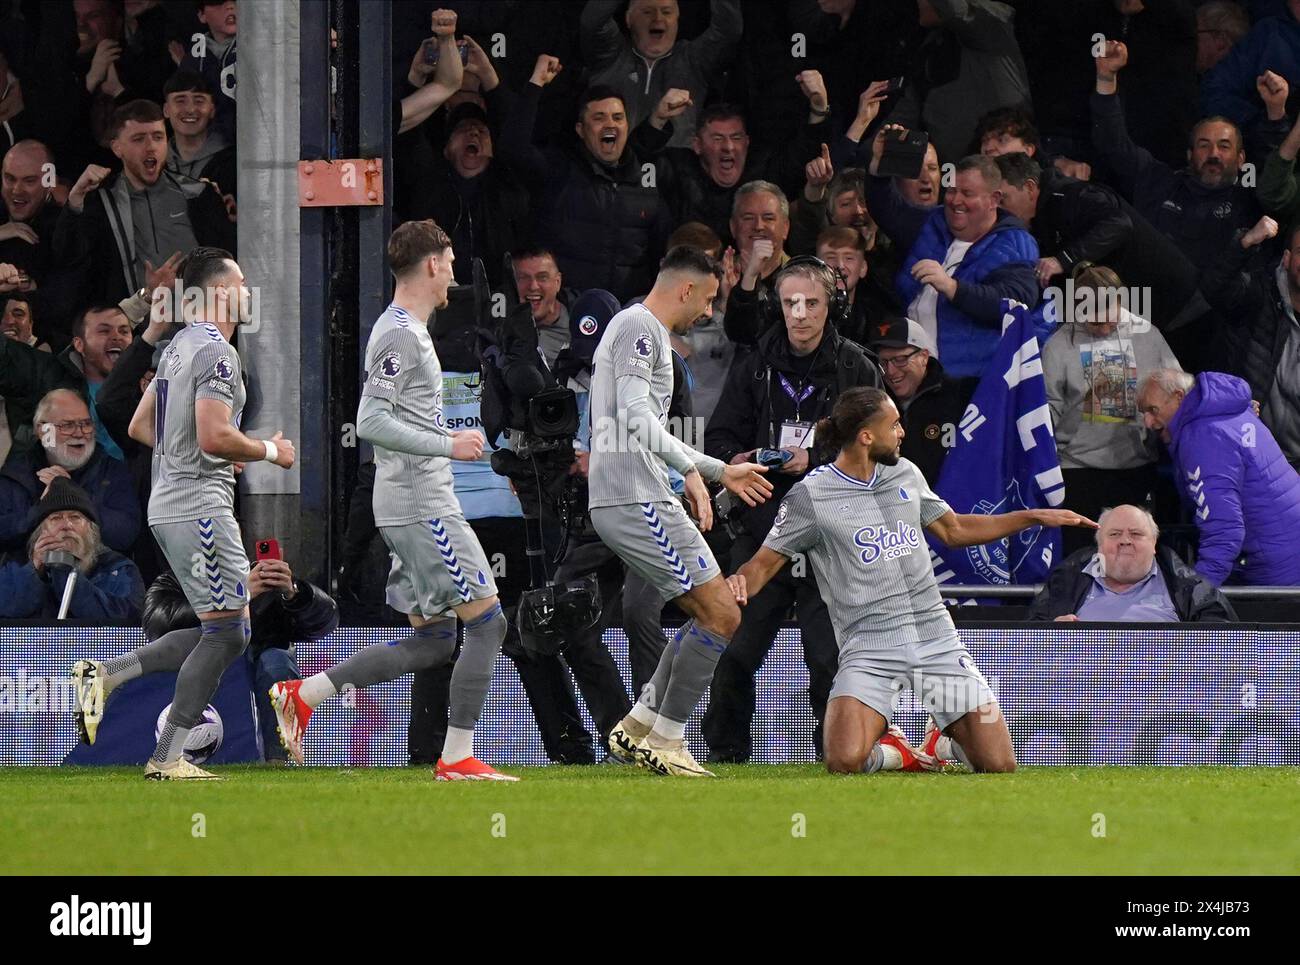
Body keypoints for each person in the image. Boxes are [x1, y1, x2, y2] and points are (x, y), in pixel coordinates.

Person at [726, 386, 1098, 774]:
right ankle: (896, 754)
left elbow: (954, 529)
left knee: (998, 764)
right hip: (869, 647)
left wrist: (1033, 516)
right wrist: (733, 587)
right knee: (844, 760)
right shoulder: (811, 496)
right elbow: (765, 564)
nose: (902, 432)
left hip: (936, 637)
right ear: (866, 436)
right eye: (895, 424)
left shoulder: (906, 473)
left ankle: (944, 745)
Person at [266, 220, 515, 782]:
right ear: (431, 264)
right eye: (449, 259)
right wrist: (447, 443)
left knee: (431, 641)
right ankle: (456, 757)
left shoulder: (409, 330)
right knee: (488, 622)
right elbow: (370, 420)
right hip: (423, 506)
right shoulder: (400, 333)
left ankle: (302, 695)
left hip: (409, 503)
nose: (453, 271)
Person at [70, 246, 297, 780]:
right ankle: (167, 757)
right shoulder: (218, 352)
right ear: (220, 291)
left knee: (220, 627)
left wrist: (210, 454)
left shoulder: (174, 349)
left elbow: (140, 428)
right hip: (199, 509)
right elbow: (214, 433)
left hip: (168, 507)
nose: (246, 291)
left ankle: (104, 678)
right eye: (240, 282)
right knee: (228, 634)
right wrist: (267, 451)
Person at [592, 245, 774, 777]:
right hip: (635, 499)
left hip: (640, 493)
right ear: (687, 288)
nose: (710, 313)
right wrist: (718, 470)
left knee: (708, 612)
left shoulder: (641, 331)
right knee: (722, 613)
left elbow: (643, 425)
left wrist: (687, 475)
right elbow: (635, 418)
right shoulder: (638, 328)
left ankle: (641, 725)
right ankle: (667, 739)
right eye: (711, 298)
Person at [702, 258, 881, 763]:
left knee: (829, 662)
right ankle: (725, 756)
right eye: (789, 303)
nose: (800, 314)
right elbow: (718, 438)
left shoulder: (857, 368)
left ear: (833, 306)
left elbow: (883, 447)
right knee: (732, 650)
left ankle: (842, 760)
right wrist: (739, 460)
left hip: (833, 537)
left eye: (812, 303)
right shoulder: (755, 363)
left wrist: (816, 458)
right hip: (762, 530)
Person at [140, 553, 339, 765]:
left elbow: (324, 624)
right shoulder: (175, 580)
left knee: (277, 660)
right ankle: (168, 756)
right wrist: (238, 595)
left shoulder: (263, 578)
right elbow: (159, 623)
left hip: (254, 663)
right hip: (203, 659)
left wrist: (295, 594)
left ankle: (278, 760)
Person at [499, 61, 672, 302]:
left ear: (627, 126)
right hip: (568, 314)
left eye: (618, 117)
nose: (610, 123)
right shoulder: (559, 170)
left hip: (629, 314)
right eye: (599, 117)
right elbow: (513, 150)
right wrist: (536, 83)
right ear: (581, 129)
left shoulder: (646, 182)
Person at [1041, 264, 1181, 556]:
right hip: (1077, 473)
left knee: (1133, 561)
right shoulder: (1058, 345)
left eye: (1111, 320)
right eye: (1095, 323)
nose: (1104, 329)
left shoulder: (1148, 336)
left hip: (1135, 470)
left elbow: (1177, 395)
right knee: (1079, 563)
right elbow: (1047, 409)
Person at [866, 144, 1038, 378]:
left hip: (969, 383)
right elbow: (887, 208)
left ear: (993, 200)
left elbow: (1015, 305)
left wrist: (952, 287)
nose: (955, 200)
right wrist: (880, 164)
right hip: (911, 376)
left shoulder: (1014, 243)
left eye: (967, 194)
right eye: (951, 190)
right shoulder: (932, 222)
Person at [1091, 39, 1259, 275]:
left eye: (1224, 146)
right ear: (1189, 154)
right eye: (1204, 145)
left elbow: (1279, 175)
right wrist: (1107, 78)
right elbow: (1113, 144)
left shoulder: (1252, 201)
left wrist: (1276, 113)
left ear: (1241, 158)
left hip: (1222, 305)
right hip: (1152, 301)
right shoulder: (1160, 183)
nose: (1213, 154)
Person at [54, 99, 236, 304]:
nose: (151, 147)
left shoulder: (198, 193)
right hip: (134, 330)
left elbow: (228, 263)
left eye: (158, 137)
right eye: (139, 139)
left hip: (198, 328)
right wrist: (75, 199)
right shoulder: (102, 203)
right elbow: (67, 258)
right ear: (117, 148)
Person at [1137, 368, 1300, 587]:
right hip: (1284, 544)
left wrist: (1196, 595)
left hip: (1275, 561)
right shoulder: (1225, 411)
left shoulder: (1203, 437)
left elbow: (1224, 531)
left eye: (1153, 410)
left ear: (1178, 397)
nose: (1148, 422)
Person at [1201, 215, 1300, 468]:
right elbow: (1215, 287)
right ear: (1287, 259)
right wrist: (1245, 242)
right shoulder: (1259, 295)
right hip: (1252, 459)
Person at [1028, 504, 1236, 623]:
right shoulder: (1064, 583)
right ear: (1099, 545)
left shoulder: (1191, 589)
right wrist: (1050, 639)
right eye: (1115, 534)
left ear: (1154, 543)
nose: (1125, 540)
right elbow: (1023, 654)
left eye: (1136, 534)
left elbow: (1225, 653)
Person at [579, 0, 743, 149]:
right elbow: (593, 21)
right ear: (628, 19)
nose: (657, 18)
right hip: (613, 174)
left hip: (674, 175)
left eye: (666, 12)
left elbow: (728, 29)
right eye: (647, 12)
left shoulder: (693, 60)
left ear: (677, 20)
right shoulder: (610, 55)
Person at [0, 389, 140, 554]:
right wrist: (42, 508)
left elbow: (125, 534)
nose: (79, 433)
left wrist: (75, 496)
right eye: (67, 425)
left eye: (86, 424)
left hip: (99, 575)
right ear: (42, 430)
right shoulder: (15, 475)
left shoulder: (114, 471)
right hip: (26, 575)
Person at [0, 303, 134, 460]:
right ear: (79, 344)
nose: (116, 336)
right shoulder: (49, 376)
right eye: (104, 331)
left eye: (124, 331)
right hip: (63, 480)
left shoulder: (148, 381)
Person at [0, 476, 143, 622]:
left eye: (75, 517)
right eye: (56, 518)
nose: (66, 525)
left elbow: (126, 619)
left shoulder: (117, 568)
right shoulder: (15, 564)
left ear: (91, 530)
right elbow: (7, 610)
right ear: (40, 531)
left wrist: (65, 571)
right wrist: (34, 571)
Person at [867, 316, 975, 485]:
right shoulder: (873, 403)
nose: (891, 371)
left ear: (924, 357)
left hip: (951, 504)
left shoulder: (962, 396)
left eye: (900, 360)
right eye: (883, 362)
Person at [721, 180, 793, 345]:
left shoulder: (803, 281)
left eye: (768, 218)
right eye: (748, 218)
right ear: (733, 227)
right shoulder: (713, 279)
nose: (759, 226)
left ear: (786, 228)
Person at [162, 70, 236, 203]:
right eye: (180, 101)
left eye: (199, 101)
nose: (190, 109)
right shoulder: (154, 163)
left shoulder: (234, 163)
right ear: (166, 110)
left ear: (212, 110)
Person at [179, 0, 238, 142]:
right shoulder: (193, 58)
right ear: (202, 15)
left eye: (236, 1)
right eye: (218, 2)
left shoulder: (261, 50)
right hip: (210, 148)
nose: (230, 6)